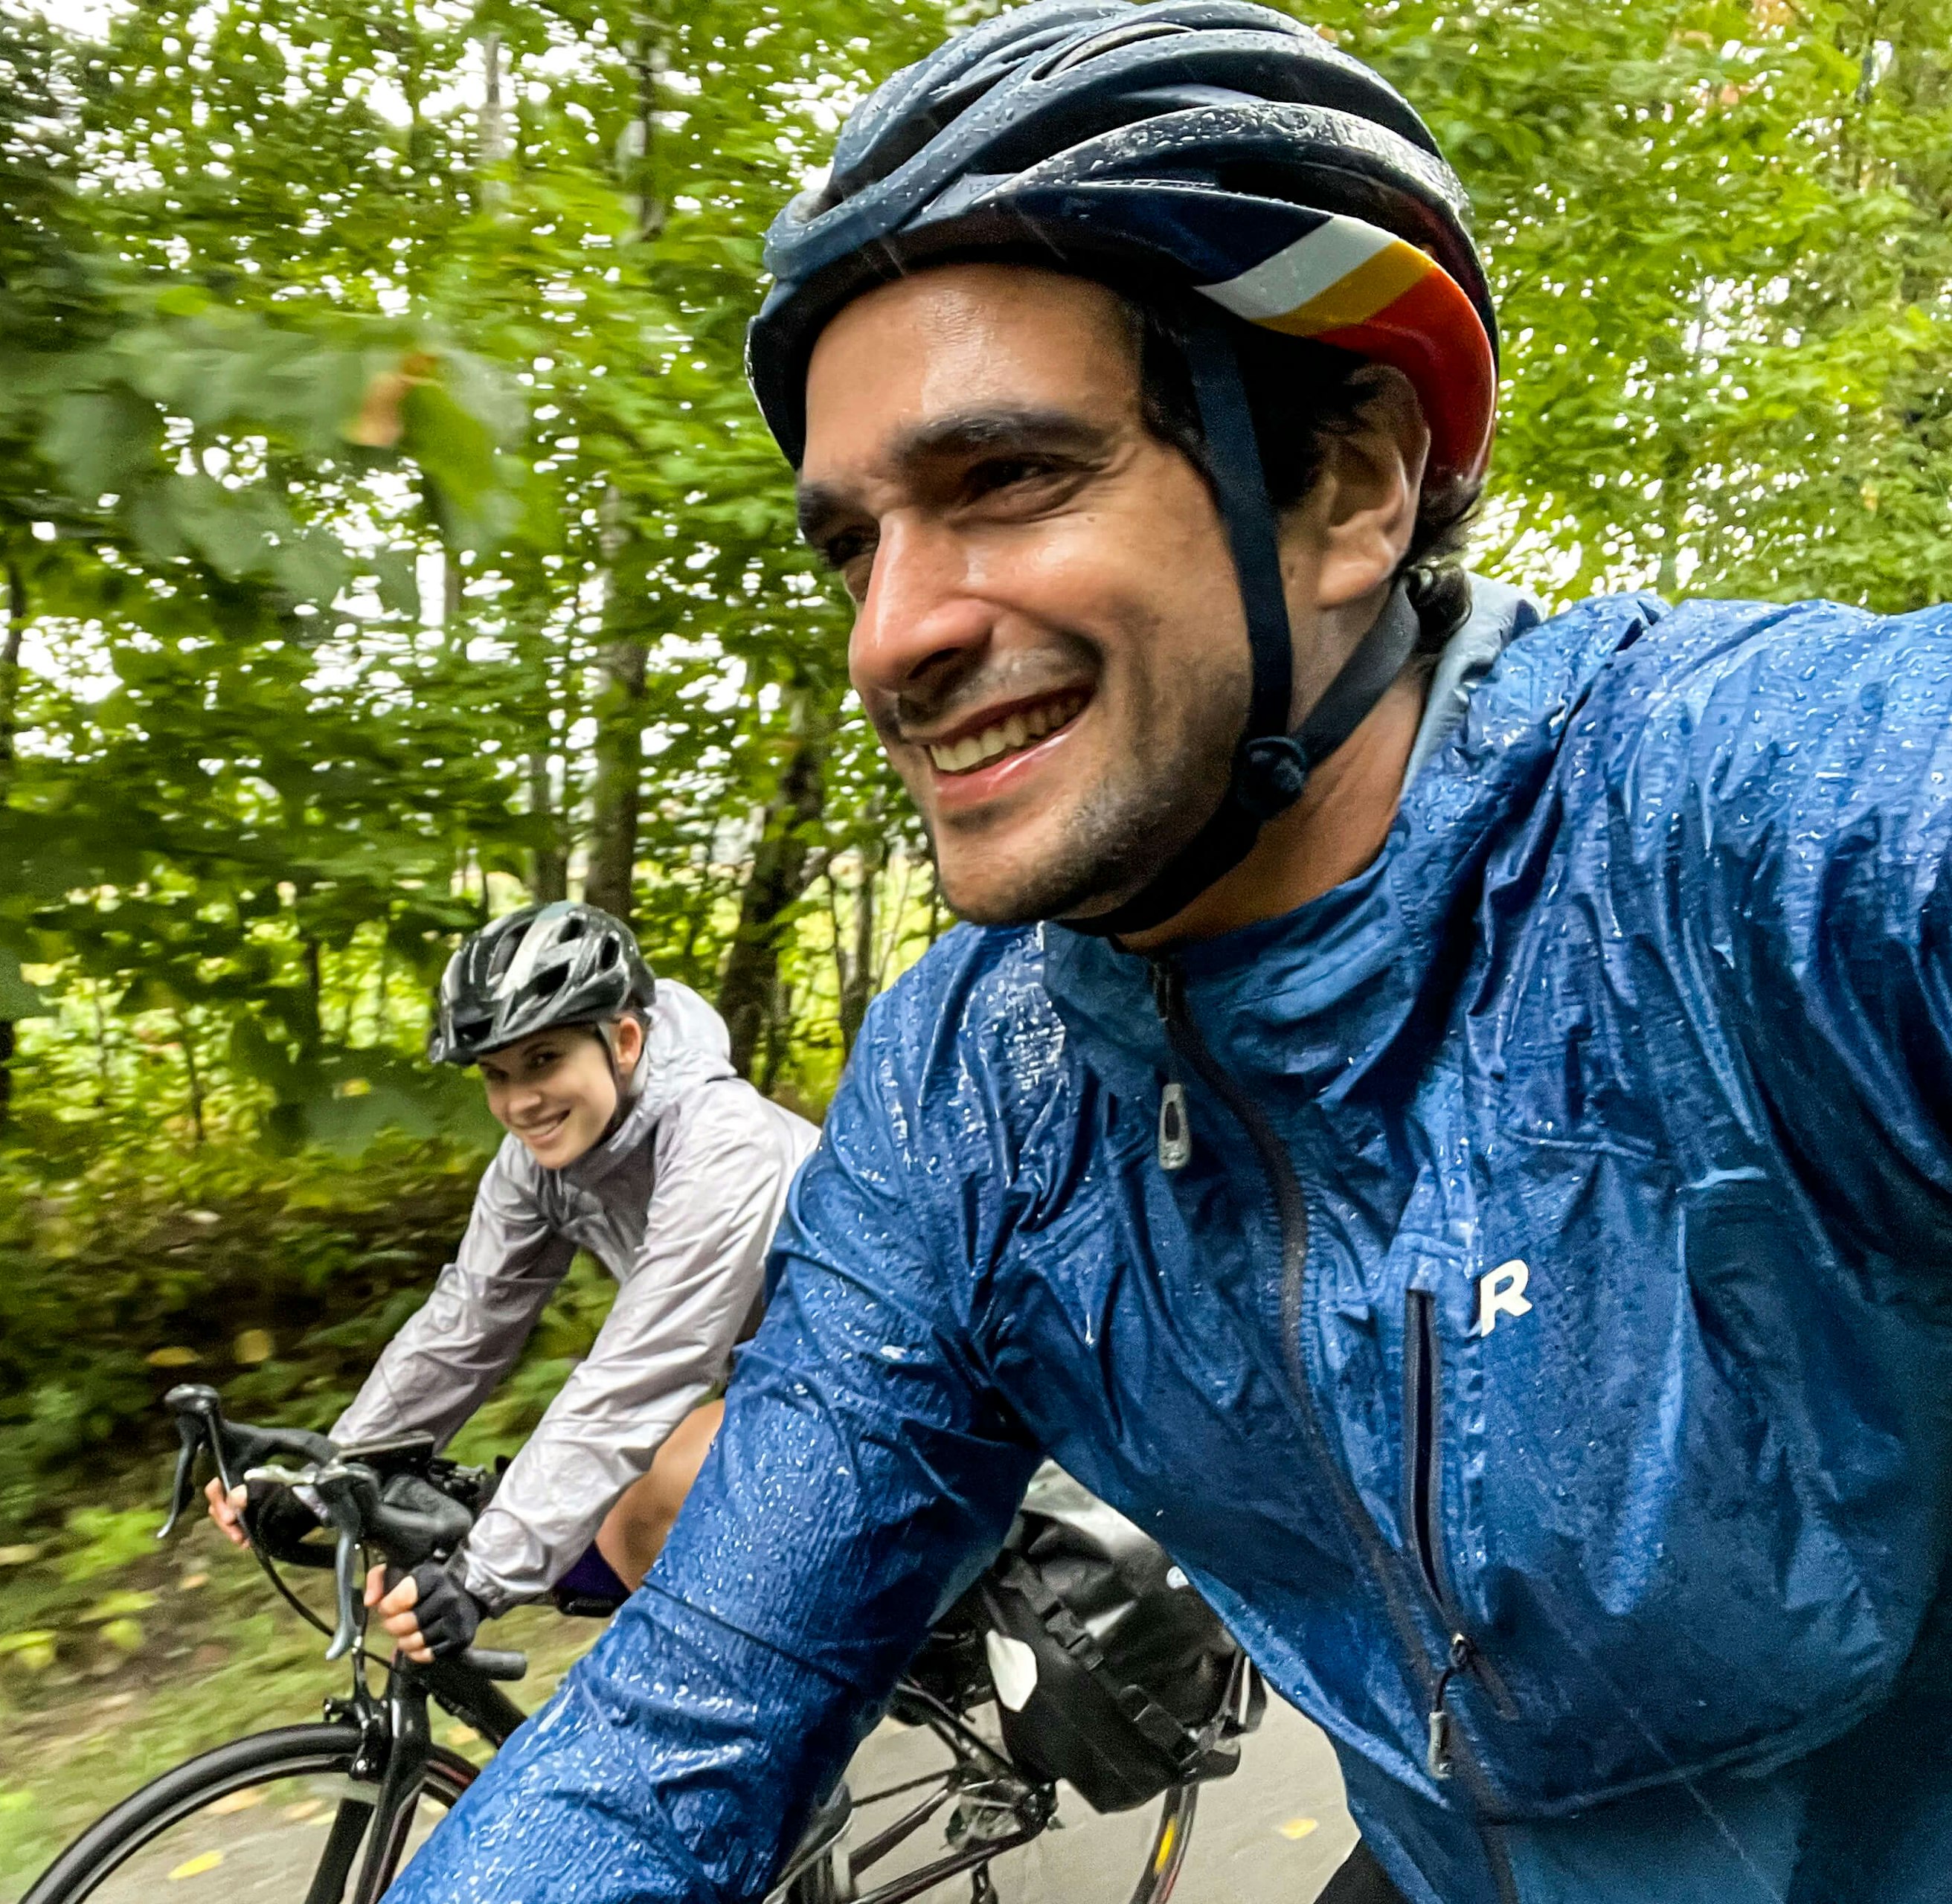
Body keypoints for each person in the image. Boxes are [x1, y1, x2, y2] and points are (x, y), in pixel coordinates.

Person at [380, 4, 1952, 1903]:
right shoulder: (977, 1090)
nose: (886, 640)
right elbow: (683, 1716)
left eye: (1008, 478)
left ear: (1351, 488)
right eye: (849, 545)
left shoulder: (1732, 830)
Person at [205, 900, 818, 1663]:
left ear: (624, 1040)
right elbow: (462, 1329)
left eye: (544, 1060)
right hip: (785, 1371)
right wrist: (319, 1484)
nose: (520, 1101)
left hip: (904, 1360)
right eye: (497, 1074)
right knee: (591, 1527)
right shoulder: (538, 1162)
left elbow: (642, 1371)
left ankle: (780, 1767)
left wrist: (479, 1579)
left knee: (650, 1502)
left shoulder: (722, 1140)